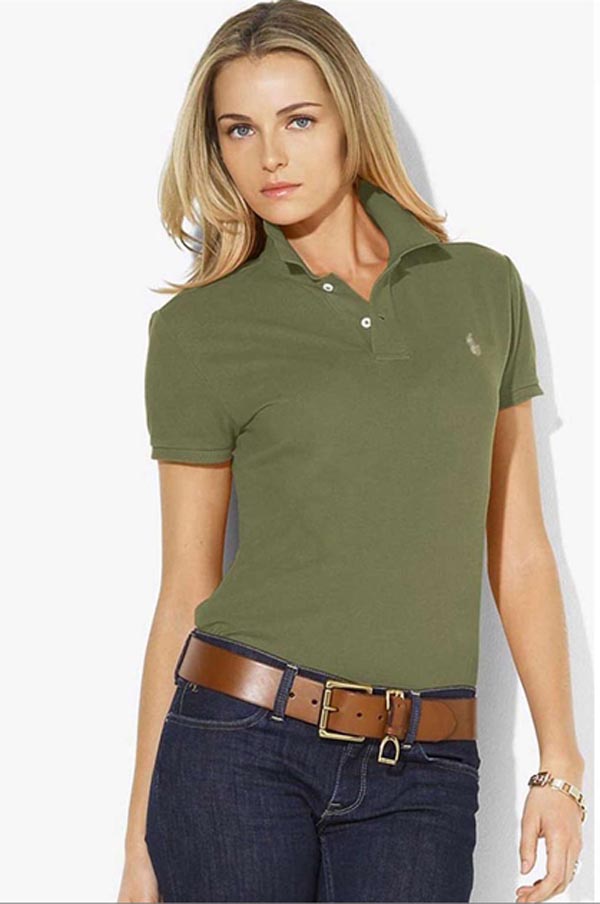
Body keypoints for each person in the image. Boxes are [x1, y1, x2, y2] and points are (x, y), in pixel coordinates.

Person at [117, 2, 586, 902]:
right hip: (237, 748)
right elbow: (185, 585)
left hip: (426, 770)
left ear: (349, 122)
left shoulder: (479, 288)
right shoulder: (201, 329)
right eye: (239, 129)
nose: (270, 156)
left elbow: (520, 547)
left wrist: (559, 764)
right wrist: (142, 847)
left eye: (298, 120)